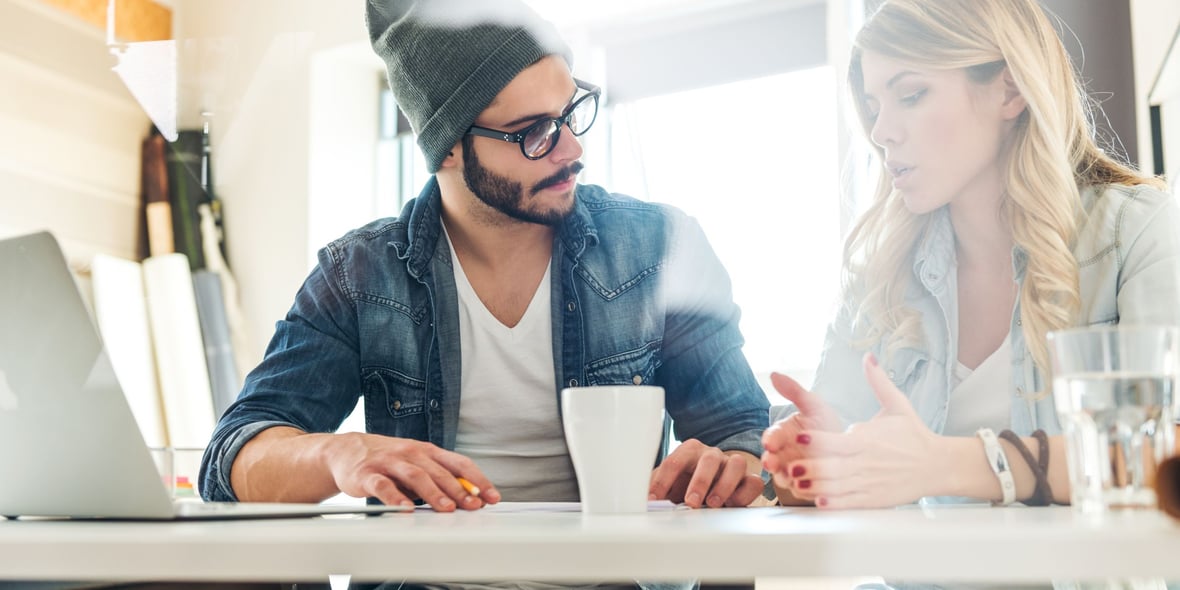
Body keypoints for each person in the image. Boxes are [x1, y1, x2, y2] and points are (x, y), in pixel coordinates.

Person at [199, 0, 769, 522]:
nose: (572, 149)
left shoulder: (661, 246)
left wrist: (738, 462)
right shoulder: (360, 274)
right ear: (446, 145)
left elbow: (742, 433)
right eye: (534, 132)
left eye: (571, 113)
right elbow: (229, 460)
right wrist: (336, 453)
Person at [762, 0, 1180, 509]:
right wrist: (806, 462)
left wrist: (942, 463)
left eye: (911, 95)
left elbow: (1166, 457)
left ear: (1010, 90)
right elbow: (811, 481)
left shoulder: (1135, 232)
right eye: (873, 108)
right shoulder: (879, 276)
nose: (880, 131)